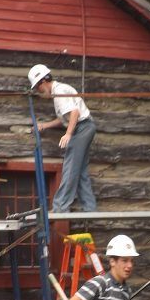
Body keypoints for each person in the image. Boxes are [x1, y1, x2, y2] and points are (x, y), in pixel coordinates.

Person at [27, 64, 97, 213]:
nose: (38, 91)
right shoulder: (59, 91)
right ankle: (90, 209)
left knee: (70, 167)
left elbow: (74, 113)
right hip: (85, 127)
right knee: (80, 171)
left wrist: (69, 134)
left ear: (43, 82)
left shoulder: (59, 92)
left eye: (37, 87)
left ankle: (60, 207)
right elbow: (64, 118)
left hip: (81, 128)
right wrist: (45, 125)